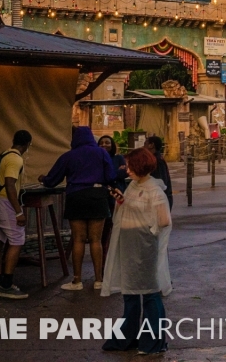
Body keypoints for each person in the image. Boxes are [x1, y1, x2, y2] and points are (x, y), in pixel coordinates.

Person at [102, 148, 173, 355]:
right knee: (130, 294)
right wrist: (122, 202)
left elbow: (163, 221)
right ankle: (128, 338)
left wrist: (148, 231)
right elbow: (132, 208)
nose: (127, 170)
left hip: (144, 247)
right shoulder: (132, 186)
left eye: (131, 166)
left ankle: (153, 341)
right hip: (129, 245)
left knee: (150, 294)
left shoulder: (154, 190)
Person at [39, 126, 115, 290]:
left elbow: (52, 180)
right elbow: (110, 176)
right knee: (96, 239)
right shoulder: (102, 153)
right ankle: (98, 280)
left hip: (76, 197)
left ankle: (77, 281)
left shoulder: (69, 156)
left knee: (78, 239)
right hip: (97, 196)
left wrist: (44, 179)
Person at [0, 130, 32, 299]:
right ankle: (7, 285)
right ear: (28, 144)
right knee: (17, 238)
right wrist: (18, 211)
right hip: (5, 201)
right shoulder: (15, 159)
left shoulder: (5, 154)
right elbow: (9, 184)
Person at [98, 135, 129, 259]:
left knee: (119, 224)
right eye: (102, 143)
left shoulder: (118, 158)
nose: (104, 145)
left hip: (117, 196)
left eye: (107, 142)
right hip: (103, 197)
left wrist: (109, 175)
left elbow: (124, 173)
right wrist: (115, 173)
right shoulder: (97, 158)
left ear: (112, 145)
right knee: (105, 226)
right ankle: (104, 251)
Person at [145, 136, 174, 210]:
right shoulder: (153, 158)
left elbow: (161, 181)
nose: (144, 144)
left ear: (151, 145)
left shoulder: (157, 160)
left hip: (161, 200)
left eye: (146, 142)